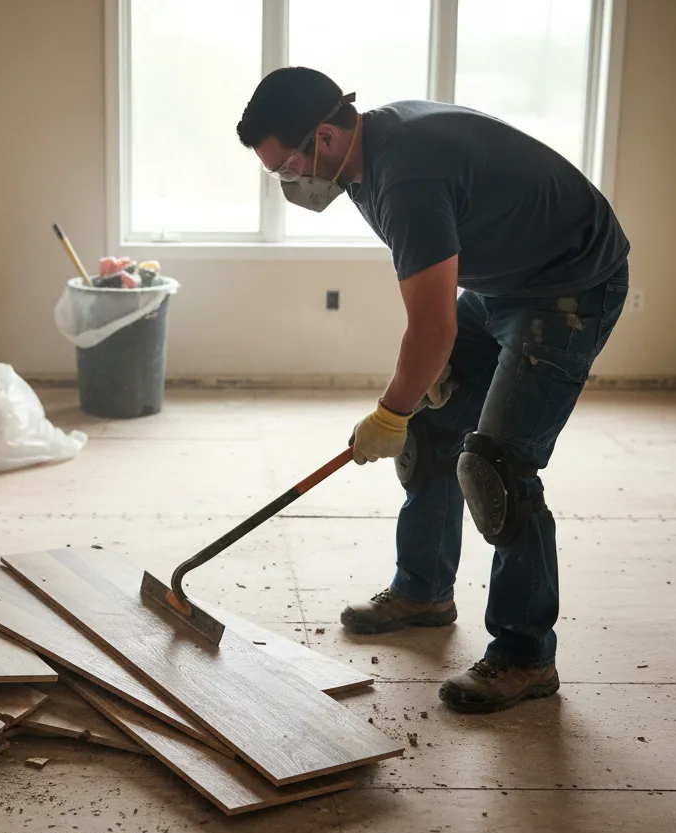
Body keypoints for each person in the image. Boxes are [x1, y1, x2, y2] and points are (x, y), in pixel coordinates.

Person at [236, 67, 630, 714]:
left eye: (287, 169)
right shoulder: (361, 161)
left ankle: (525, 656)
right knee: (431, 430)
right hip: (505, 283)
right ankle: (423, 590)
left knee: (498, 469)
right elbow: (439, 307)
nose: (289, 184)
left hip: (568, 287)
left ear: (327, 137)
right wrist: (408, 411)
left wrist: (388, 411)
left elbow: (432, 323)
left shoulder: (407, 176)